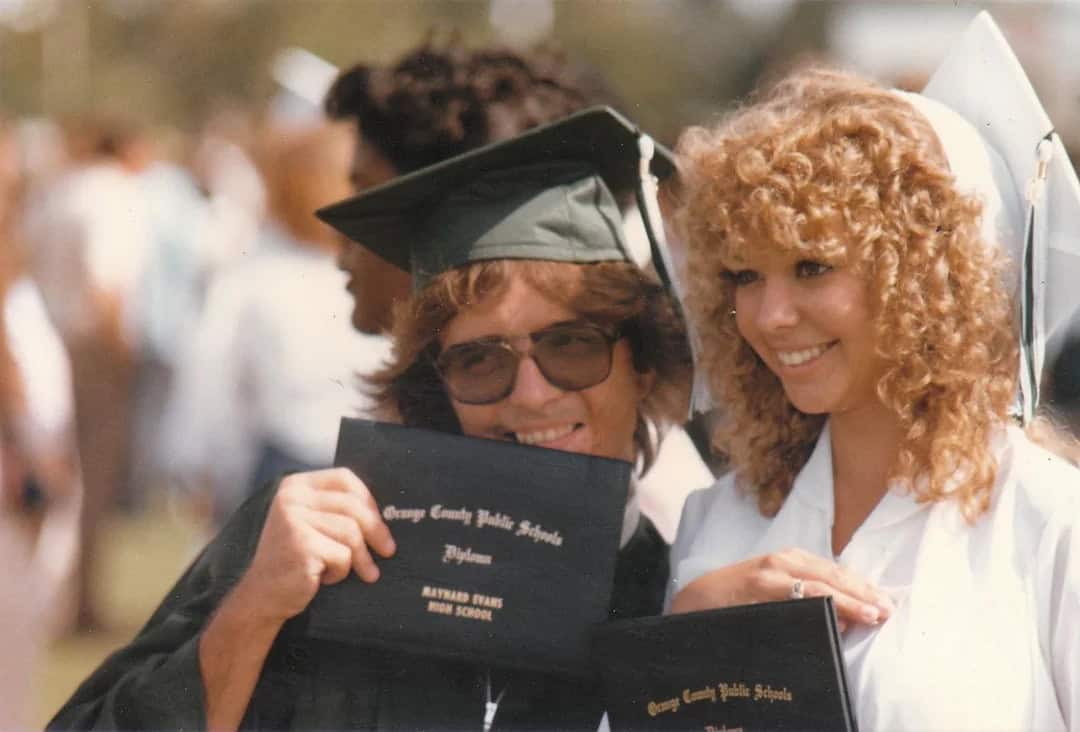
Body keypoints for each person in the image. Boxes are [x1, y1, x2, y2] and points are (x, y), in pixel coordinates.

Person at [49, 107, 692, 731]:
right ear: (435, 385)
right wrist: (252, 612)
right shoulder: (323, 543)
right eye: (479, 361)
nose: (530, 393)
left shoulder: (678, 603)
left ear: (644, 366)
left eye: (572, 345)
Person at [666, 13, 1080, 731]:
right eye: (743, 275)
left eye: (811, 267)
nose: (768, 316)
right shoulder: (717, 521)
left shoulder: (1050, 522)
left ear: (926, 278)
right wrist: (682, 637)